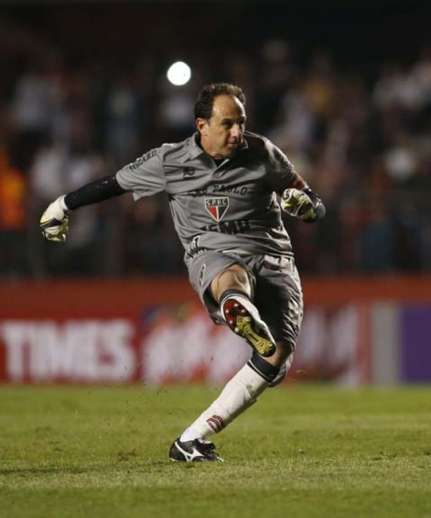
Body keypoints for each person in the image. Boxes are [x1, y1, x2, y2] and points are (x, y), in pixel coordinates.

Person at [39, 82, 325, 462]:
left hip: (274, 257)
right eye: (227, 123)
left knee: (277, 358)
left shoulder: (263, 153)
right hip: (212, 252)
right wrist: (64, 203)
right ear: (201, 125)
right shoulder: (169, 160)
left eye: (241, 122)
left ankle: (191, 439)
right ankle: (236, 304)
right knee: (229, 272)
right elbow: (115, 184)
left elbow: (315, 204)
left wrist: (304, 208)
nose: (237, 132)